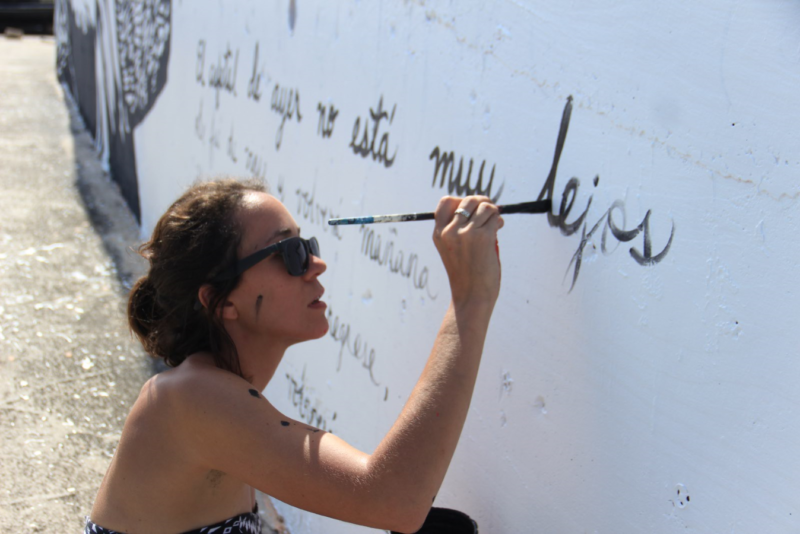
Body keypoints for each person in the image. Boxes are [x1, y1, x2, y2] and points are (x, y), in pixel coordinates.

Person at [86, 178, 504, 534]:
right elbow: (395, 500)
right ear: (220, 301)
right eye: (290, 254)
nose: (316, 264)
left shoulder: (213, 389)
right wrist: (470, 302)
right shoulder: (191, 397)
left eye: (308, 245)